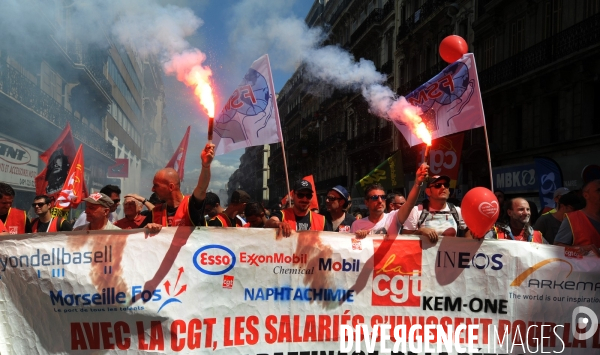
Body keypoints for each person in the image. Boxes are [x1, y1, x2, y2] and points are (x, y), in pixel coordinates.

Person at [144, 143, 214, 233]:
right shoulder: (155, 213)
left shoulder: (191, 205)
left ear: (171, 187)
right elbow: (137, 240)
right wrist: (146, 229)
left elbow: (201, 188)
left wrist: (206, 165)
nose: (152, 189)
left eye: (156, 185)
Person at [351, 164, 429, 239]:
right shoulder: (357, 225)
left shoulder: (393, 217)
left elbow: (409, 204)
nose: (380, 200)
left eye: (383, 197)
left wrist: (418, 183)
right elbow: (352, 248)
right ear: (366, 203)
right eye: (375, 197)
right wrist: (359, 237)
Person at [402, 175, 475, 242]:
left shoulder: (457, 211)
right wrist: (420, 231)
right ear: (428, 191)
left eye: (446, 185)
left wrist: (467, 246)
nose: (443, 188)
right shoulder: (417, 211)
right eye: (438, 185)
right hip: (426, 256)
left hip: (450, 256)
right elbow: (405, 238)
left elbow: (469, 230)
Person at [555, 179, 600, 251]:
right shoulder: (572, 219)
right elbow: (557, 247)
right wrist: (580, 249)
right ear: (586, 195)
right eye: (598, 190)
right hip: (585, 262)